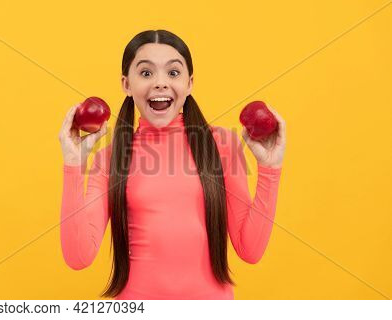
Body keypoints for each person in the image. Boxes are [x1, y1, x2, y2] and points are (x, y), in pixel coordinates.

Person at [58, 29, 286, 300]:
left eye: (173, 73)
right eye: (145, 73)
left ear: (189, 83)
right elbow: (78, 256)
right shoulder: (109, 157)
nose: (160, 83)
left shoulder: (221, 144)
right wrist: (73, 165)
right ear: (126, 85)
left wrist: (270, 170)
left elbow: (250, 250)